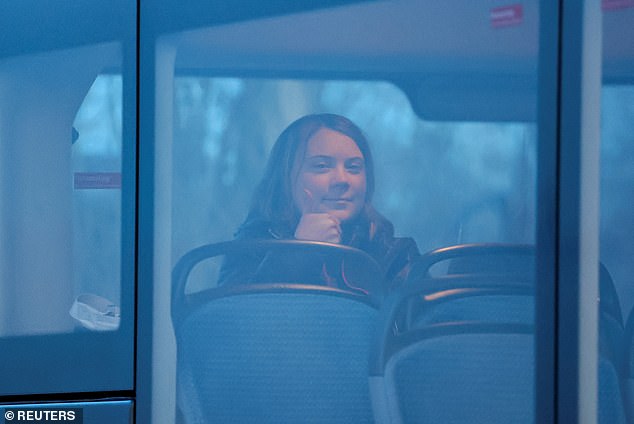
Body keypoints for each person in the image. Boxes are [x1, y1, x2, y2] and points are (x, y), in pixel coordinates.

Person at [218, 113, 419, 294]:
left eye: (353, 167)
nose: (342, 179)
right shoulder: (250, 247)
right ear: (285, 178)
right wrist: (298, 253)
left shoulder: (394, 254)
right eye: (322, 166)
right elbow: (237, 325)